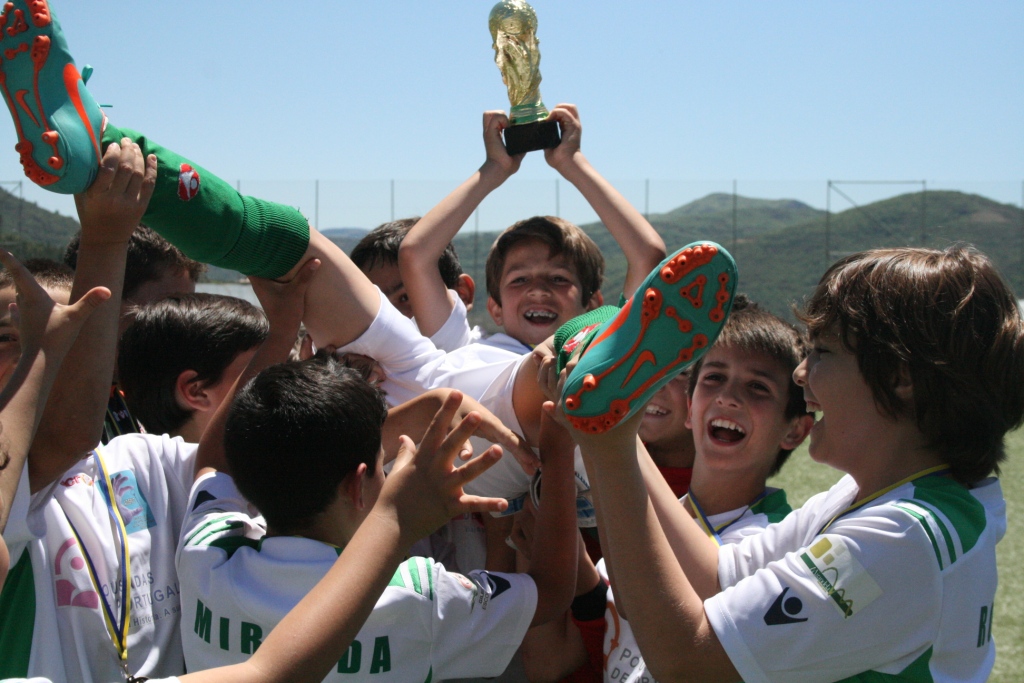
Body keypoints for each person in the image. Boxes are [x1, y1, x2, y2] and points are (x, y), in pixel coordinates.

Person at [561, 245, 1024, 682]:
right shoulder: (881, 496)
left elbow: (689, 663)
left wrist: (611, 443)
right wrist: (616, 412)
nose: (801, 373)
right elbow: (716, 574)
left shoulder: (904, 537)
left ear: (899, 377)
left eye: (822, 352)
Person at [174, 259, 579, 680]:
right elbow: (549, 592)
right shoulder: (418, 596)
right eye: (381, 462)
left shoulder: (208, 552)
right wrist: (559, 443)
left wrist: (279, 335)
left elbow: (212, 462)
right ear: (358, 486)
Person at [521, 295, 813, 682]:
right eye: (713, 378)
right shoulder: (636, 520)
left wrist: (606, 414)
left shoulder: (781, 547)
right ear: (689, 406)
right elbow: (555, 664)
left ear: (795, 429)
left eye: (758, 387)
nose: (727, 396)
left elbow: (663, 604)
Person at [398, 107, 666, 353]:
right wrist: (494, 168)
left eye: (559, 279)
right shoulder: (464, 350)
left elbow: (648, 255)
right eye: (519, 280)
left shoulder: (605, 354)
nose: (538, 290)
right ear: (496, 308)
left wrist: (573, 162)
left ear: (593, 304)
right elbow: (415, 255)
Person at [64, 226, 204, 441]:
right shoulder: (45, 403)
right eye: (167, 308)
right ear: (99, 300)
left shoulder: (141, 399)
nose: (180, 322)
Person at [350, 218, 480, 352]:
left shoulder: (497, 365)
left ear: (462, 294)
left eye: (405, 298)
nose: (389, 320)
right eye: (374, 307)